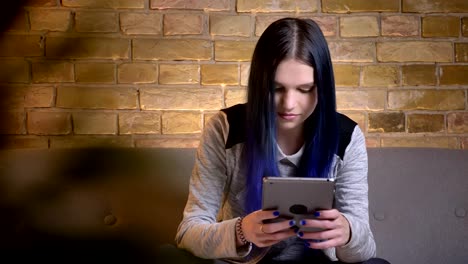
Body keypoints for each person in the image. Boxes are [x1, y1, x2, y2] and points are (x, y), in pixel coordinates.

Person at [174, 17, 389, 264]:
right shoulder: (225, 129)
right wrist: (242, 231)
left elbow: (364, 250)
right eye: (276, 88)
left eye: (305, 89)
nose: (288, 104)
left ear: (323, 87)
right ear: (259, 84)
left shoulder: (345, 136)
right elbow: (188, 232)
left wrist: (347, 232)